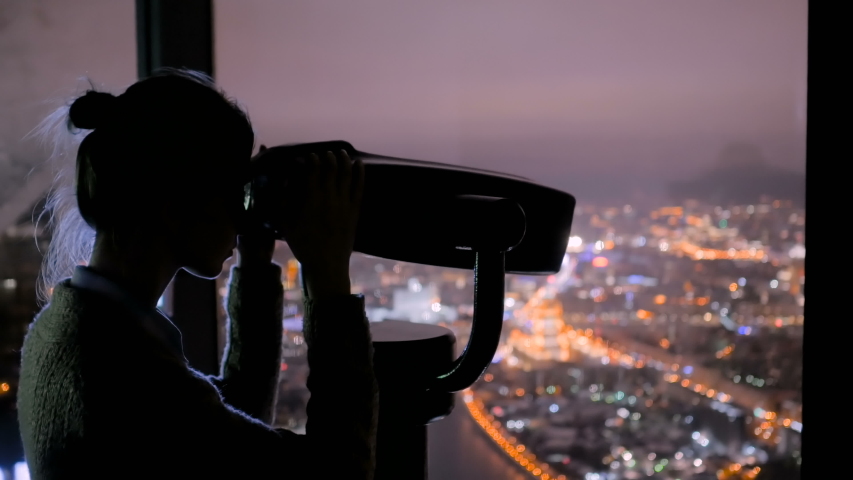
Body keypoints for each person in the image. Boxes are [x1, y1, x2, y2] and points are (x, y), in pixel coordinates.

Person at [17, 68, 378, 479]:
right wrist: (328, 281)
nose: (241, 217)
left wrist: (255, 263)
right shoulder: (123, 375)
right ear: (175, 203)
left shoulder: (71, 332)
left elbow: (232, 419)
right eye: (232, 193)